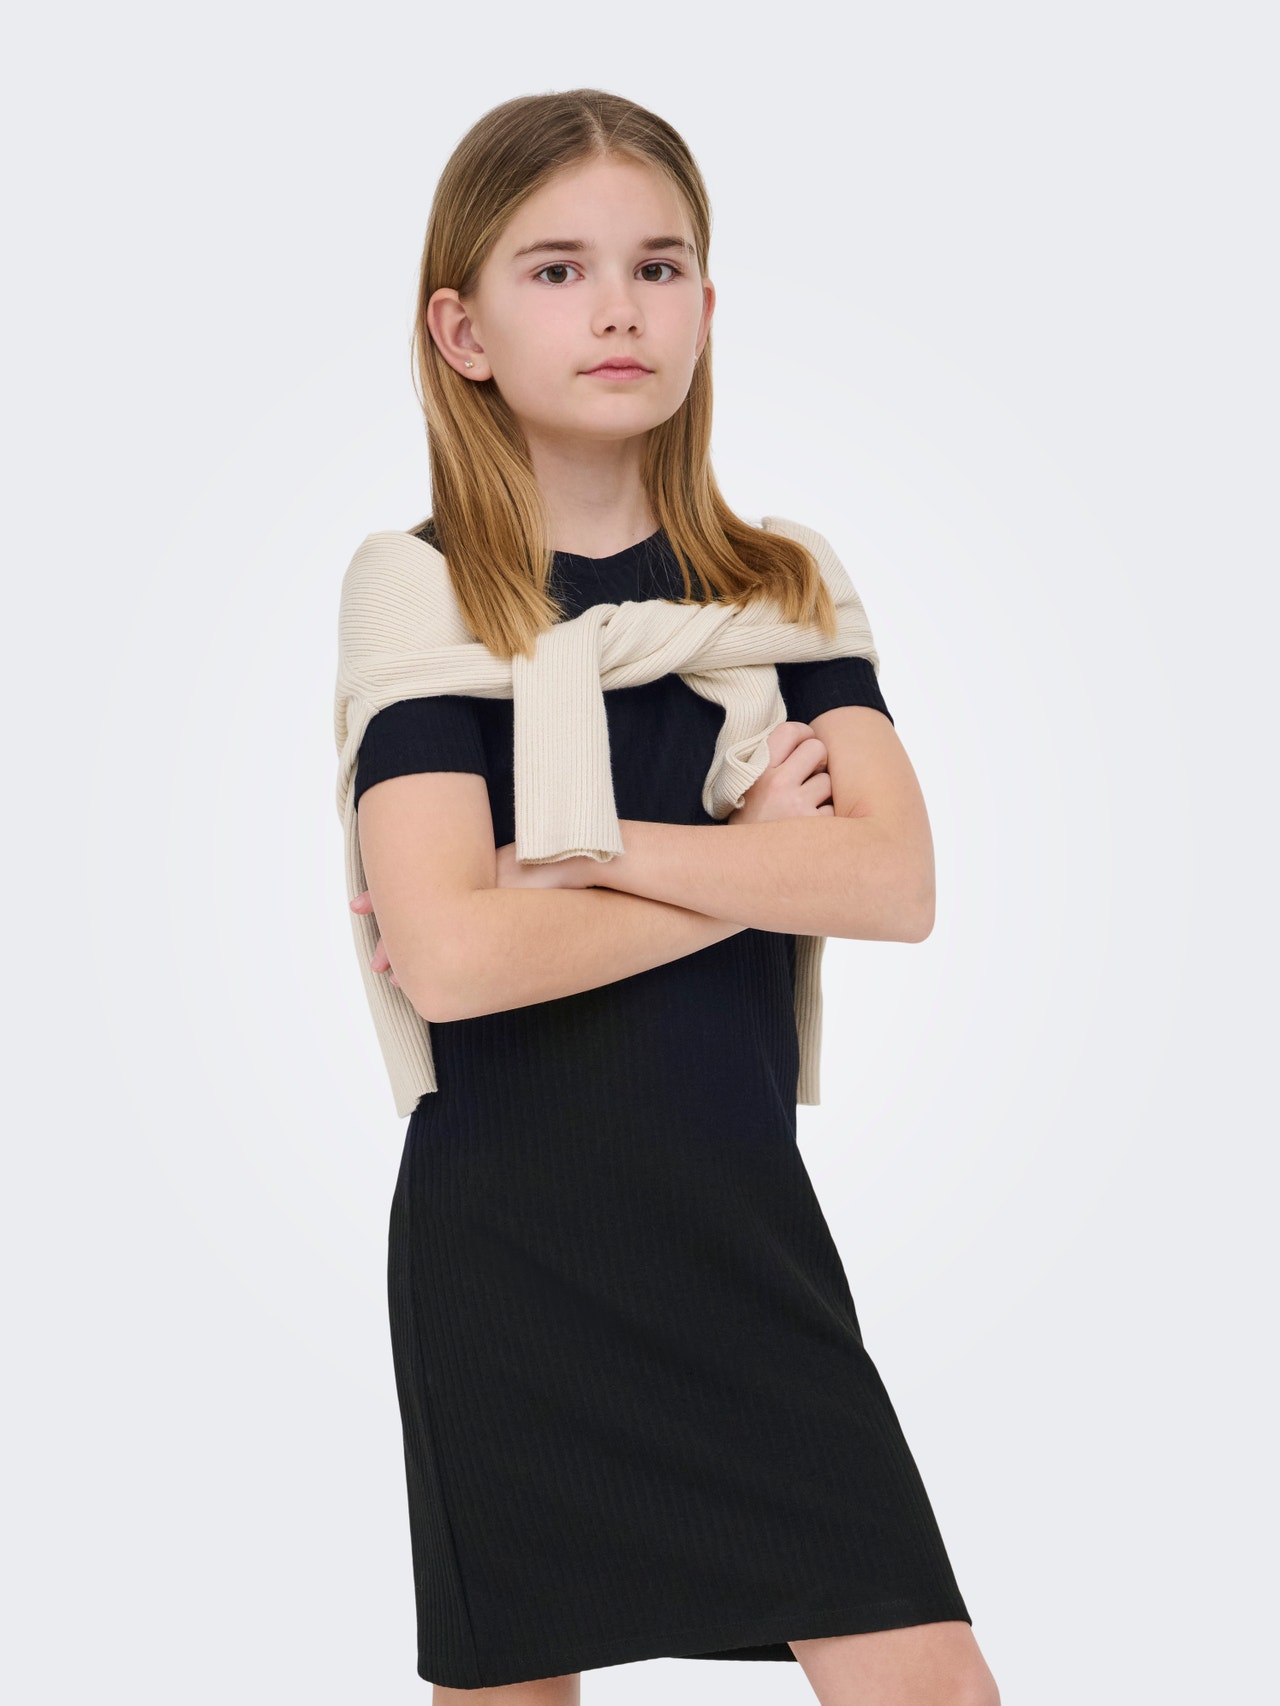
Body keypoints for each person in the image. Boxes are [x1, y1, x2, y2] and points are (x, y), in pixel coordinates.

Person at [344, 88, 1001, 1705]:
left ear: (707, 305)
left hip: (741, 1234)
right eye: (556, 269)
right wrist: (754, 863)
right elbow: (452, 957)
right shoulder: (421, 588)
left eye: (657, 265)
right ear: (463, 328)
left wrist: (585, 854)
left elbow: (895, 880)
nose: (619, 308)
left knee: (930, 1677)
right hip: (512, 1242)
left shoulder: (784, 583)